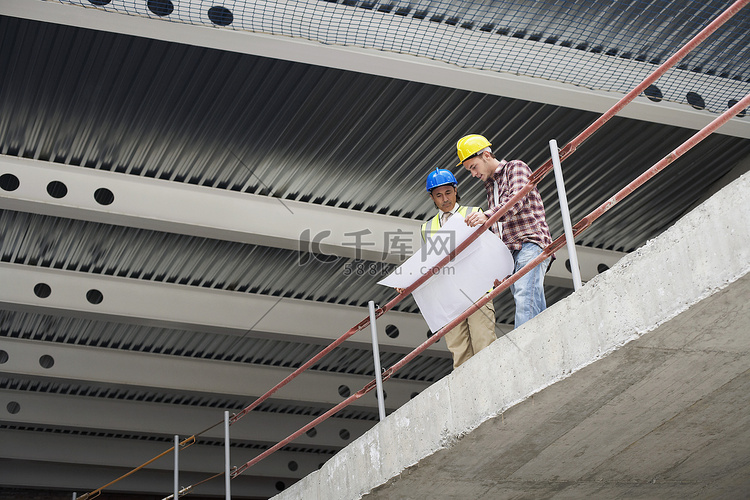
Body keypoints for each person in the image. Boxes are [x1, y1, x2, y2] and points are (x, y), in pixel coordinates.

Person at [457, 134, 553, 328]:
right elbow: (499, 227)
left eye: (473, 167)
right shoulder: (490, 186)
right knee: (532, 300)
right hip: (512, 253)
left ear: (486, 155)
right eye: (469, 171)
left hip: (530, 243)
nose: (473, 174)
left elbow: (517, 199)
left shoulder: (515, 167)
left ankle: (524, 348)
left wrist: (487, 216)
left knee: (525, 294)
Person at [420, 168, 498, 369]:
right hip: (450, 299)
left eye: (448, 192)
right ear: (432, 198)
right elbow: (428, 263)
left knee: (485, 346)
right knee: (459, 354)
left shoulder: (474, 213)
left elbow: (489, 247)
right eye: (438, 195)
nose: (444, 199)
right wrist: (407, 283)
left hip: (477, 291)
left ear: (456, 190)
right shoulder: (426, 228)